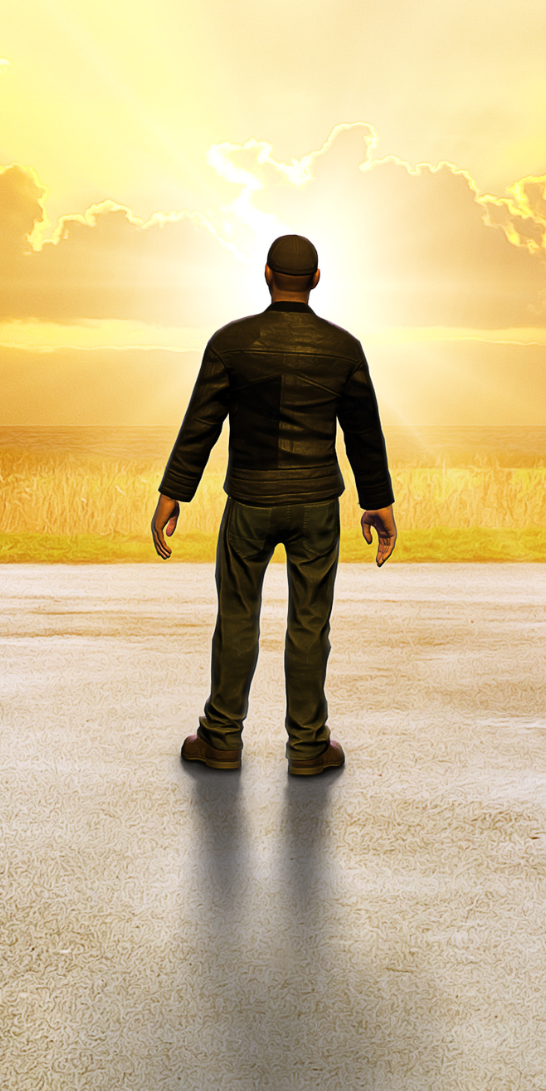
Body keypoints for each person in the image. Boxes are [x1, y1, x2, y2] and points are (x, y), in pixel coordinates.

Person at [149, 232, 397, 777]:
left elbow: (201, 425)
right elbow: (364, 434)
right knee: (310, 622)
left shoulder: (229, 343)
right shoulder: (344, 348)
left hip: (250, 502)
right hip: (316, 507)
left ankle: (219, 739)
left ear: (265, 274)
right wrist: (377, 503)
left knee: (237, 617)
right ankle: (308, 747)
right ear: (314, 279)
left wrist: (173, 493)